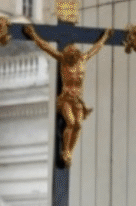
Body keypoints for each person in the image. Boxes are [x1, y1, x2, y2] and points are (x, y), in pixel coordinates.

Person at [23, 24, 112, 166]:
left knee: (78, 125)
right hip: (65, 99)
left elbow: (95, 49)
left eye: (73, 53)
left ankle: (69, 151)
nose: (71, 55)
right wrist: (33, 35)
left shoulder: (82, 59)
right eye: (69, 53)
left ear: (76, 54)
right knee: (70, 122)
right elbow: (46, 46)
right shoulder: (63, 60)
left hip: (78, 100)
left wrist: (106, 37)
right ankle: (66, 151)